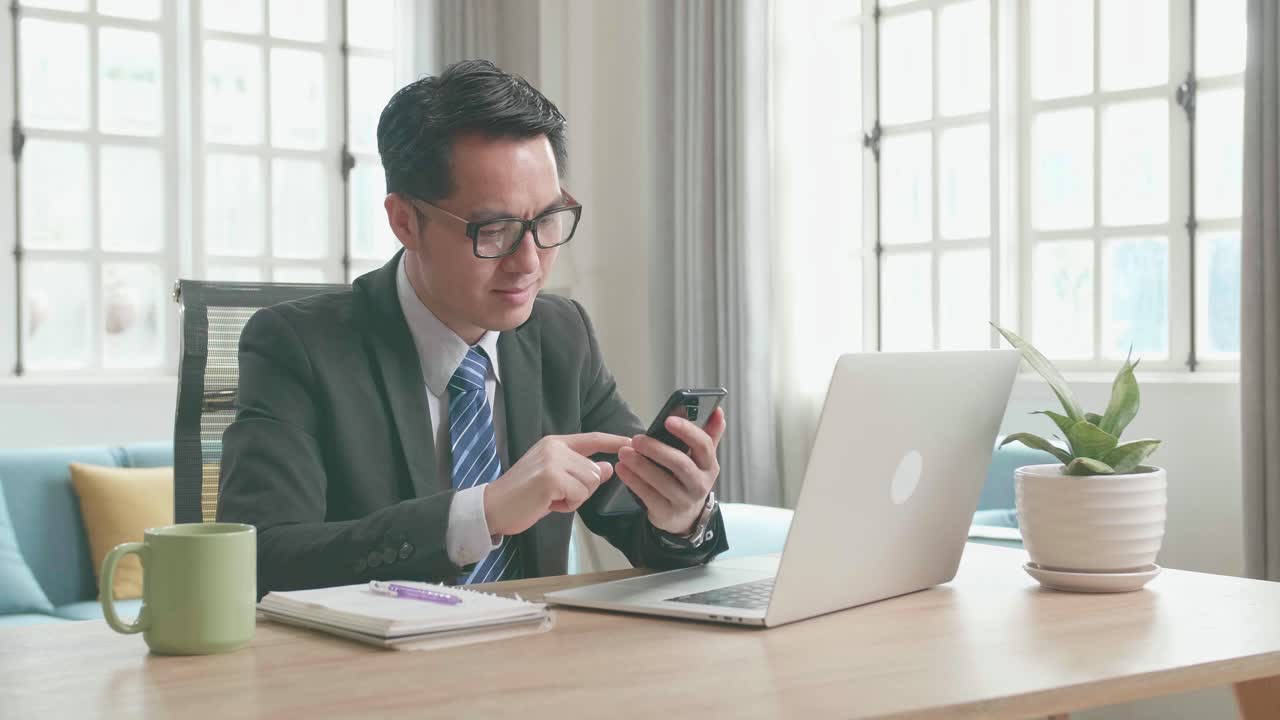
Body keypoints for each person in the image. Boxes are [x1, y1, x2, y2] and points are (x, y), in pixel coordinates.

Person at [217, 59, 729, 594]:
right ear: (404, 221)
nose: (528, 263)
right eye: (494, 229)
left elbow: (638, 523)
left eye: (546, 220)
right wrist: (480, 513)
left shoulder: (562, 334)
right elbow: (263, 559)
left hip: (536, 643)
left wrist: (681, 516)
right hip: (375, 647)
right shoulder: (297, 347)